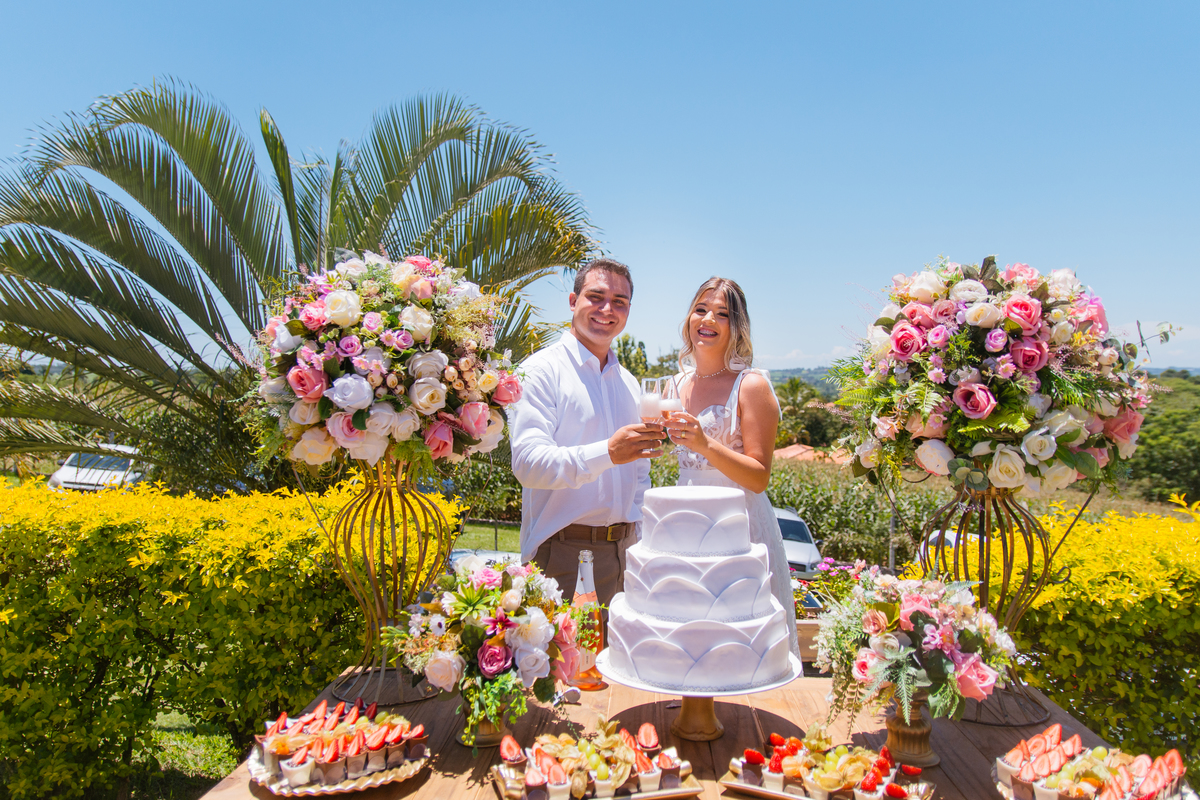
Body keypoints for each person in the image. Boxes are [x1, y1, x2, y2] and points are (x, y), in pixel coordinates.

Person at [509, 258, 665, 608]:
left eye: (619, 302)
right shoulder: (540, 371)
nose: (607, 309)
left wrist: (642, 541)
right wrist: (607, 453)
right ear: (572, 301)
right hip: (563, 555)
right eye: (596, 297)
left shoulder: (629, 383)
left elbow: (640, 475)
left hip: (627, 553)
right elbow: (528, 464)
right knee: (565, 648)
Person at [661, 277, 802, 660]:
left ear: (736, 325)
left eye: (722, 313)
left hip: (738, 528)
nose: (708, 319)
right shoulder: (676, 385)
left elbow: (759, 477)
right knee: (690, 636)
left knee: (738, 644)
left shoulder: (751, 385)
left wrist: (705, 444)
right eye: (701, 309)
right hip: (685, 524)